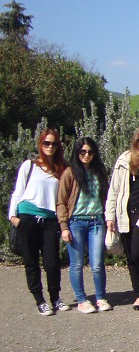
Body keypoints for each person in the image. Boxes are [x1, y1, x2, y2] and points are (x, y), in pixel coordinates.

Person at [9, 130, 68, 316]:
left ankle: (55, 298)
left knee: (52, 262)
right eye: (46, 143)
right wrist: (13, 217)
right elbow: (18, 191)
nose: (50, 147)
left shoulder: (61, 169)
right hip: (28, 217)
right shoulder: (30, 165)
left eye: (53, 143)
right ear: (40, 144)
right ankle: (40, 301)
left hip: (50, 220)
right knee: (31, 261)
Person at [105, 127, 139, 311]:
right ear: (135, 142)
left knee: (137, 253)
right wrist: (110, 216)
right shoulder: (124, 160)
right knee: (130, 257)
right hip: (124, 213)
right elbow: (114, 189)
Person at [57, 137, 110, 314]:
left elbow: (106, 197)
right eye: (82, 151)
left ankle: (101, 297)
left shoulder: (99, 172)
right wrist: (64, 226)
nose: (86, 155)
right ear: (77, 152)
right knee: (77, 263)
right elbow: (61, 201)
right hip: (76, 222)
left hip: (96, 220)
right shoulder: (69, 173)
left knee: (97, 263)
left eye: (90, 152)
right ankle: (81, 300)